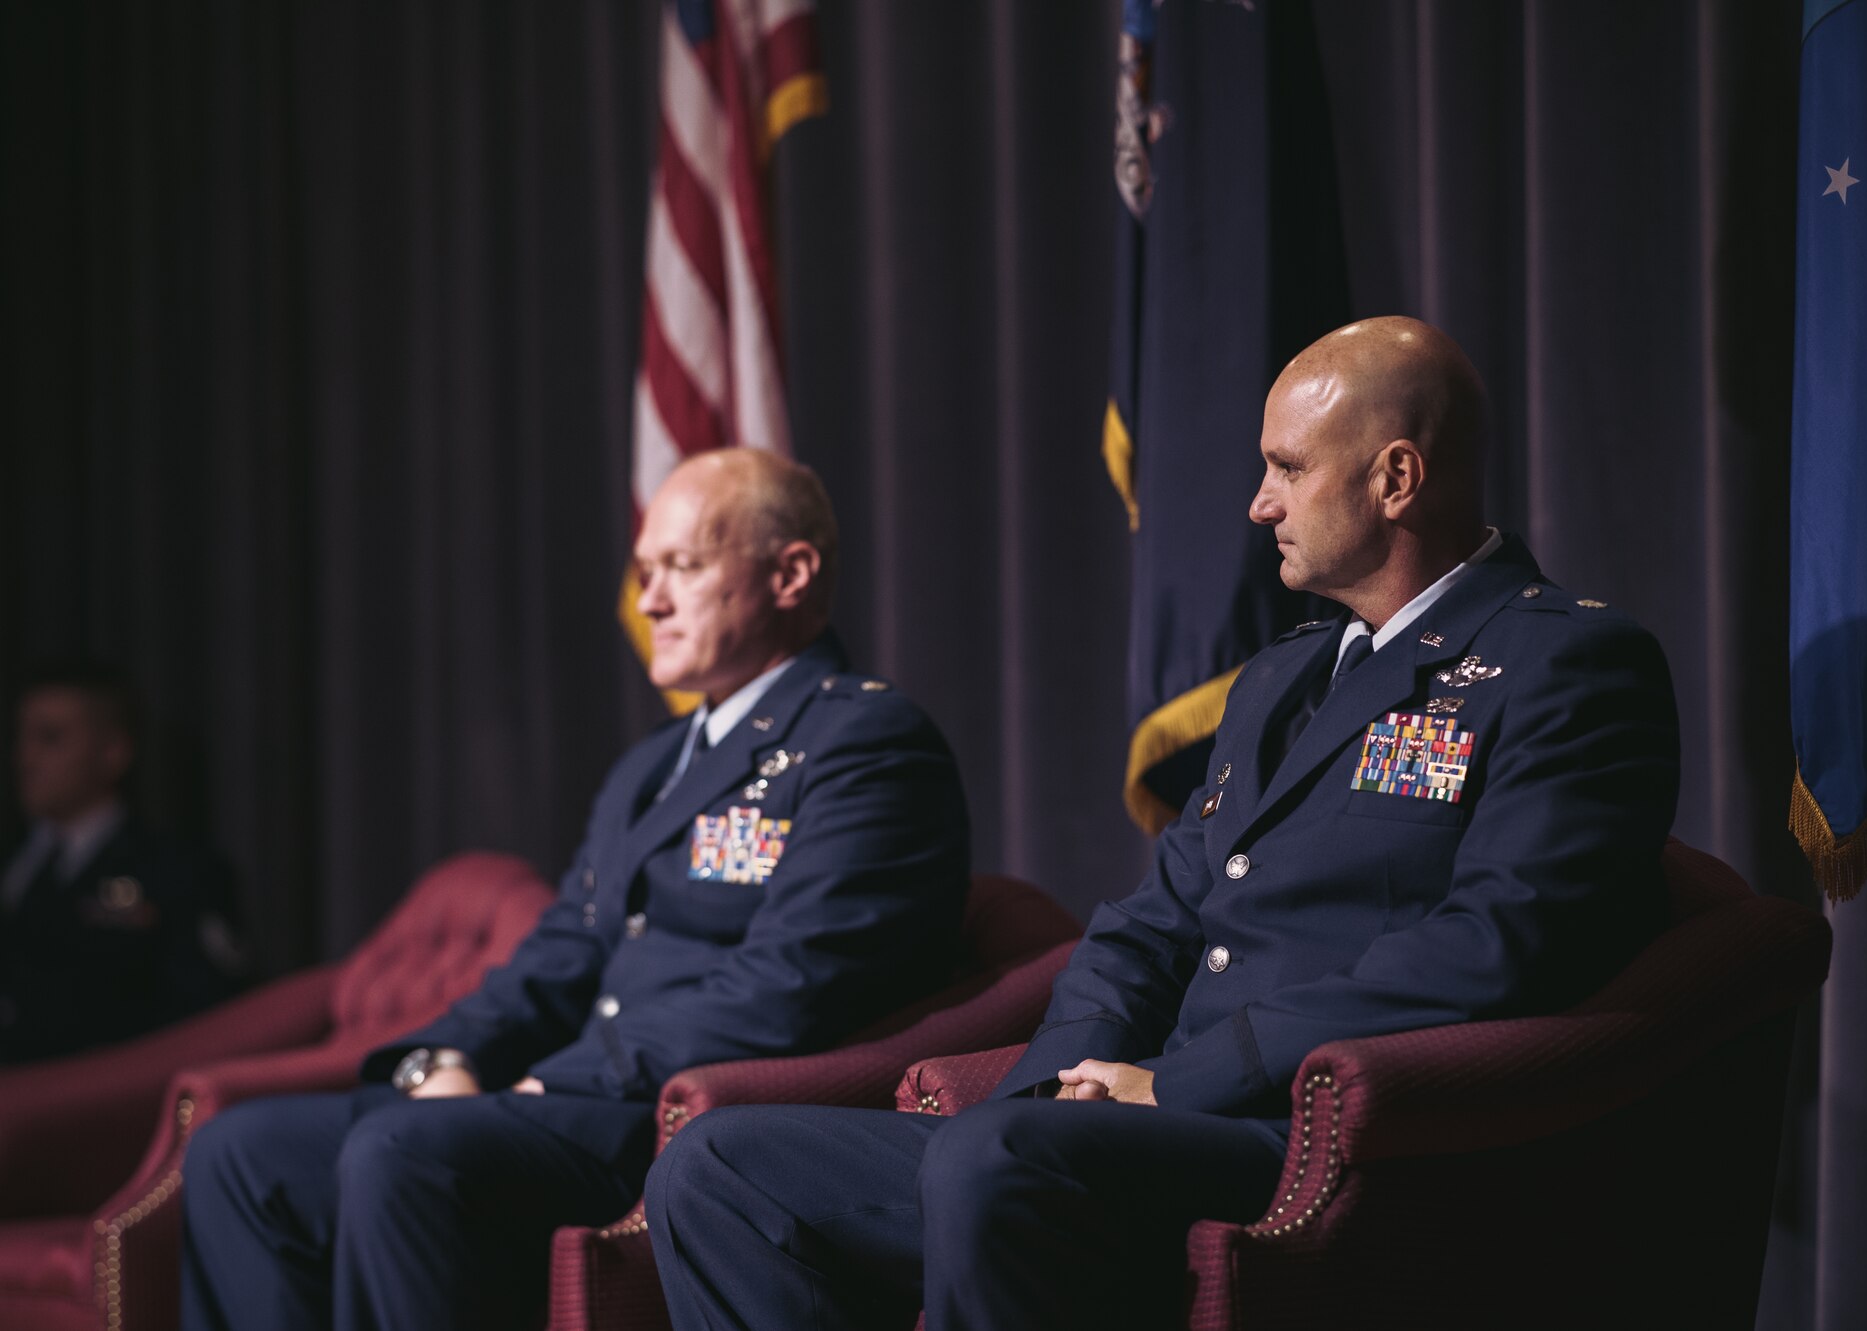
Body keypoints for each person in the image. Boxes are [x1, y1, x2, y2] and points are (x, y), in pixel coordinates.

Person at [647, 318, 1681, 1331]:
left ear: (1394, 478)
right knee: (717, 1165)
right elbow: (1151, 921)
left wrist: (1179, 1079)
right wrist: (1060, 1079)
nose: (1256, 501)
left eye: (1284, 466)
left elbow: (1497, 945)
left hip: (1332, 1130)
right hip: (1148, 1118)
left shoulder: (1564, 664)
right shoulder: (1279, 675)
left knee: (991, 1160)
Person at [179, 448, 972, 1331]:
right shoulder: (651, 766)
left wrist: (549, 1085)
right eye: (644, 572)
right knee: (239, 1152)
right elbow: (563, 951)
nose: (650, 602)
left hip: (687, 1114)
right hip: (584, 1098)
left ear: (789, 573)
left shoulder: (865, 741)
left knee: (403, 1149)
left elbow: (792, 986)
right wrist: (444, 1056)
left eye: (683, 566)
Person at [1, 664, 243, 1063]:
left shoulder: (173, 870)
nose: (26, 758)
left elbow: (211, 1015)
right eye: (20, 738)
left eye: (51, 738)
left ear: (112, 751)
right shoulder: (15, 864)